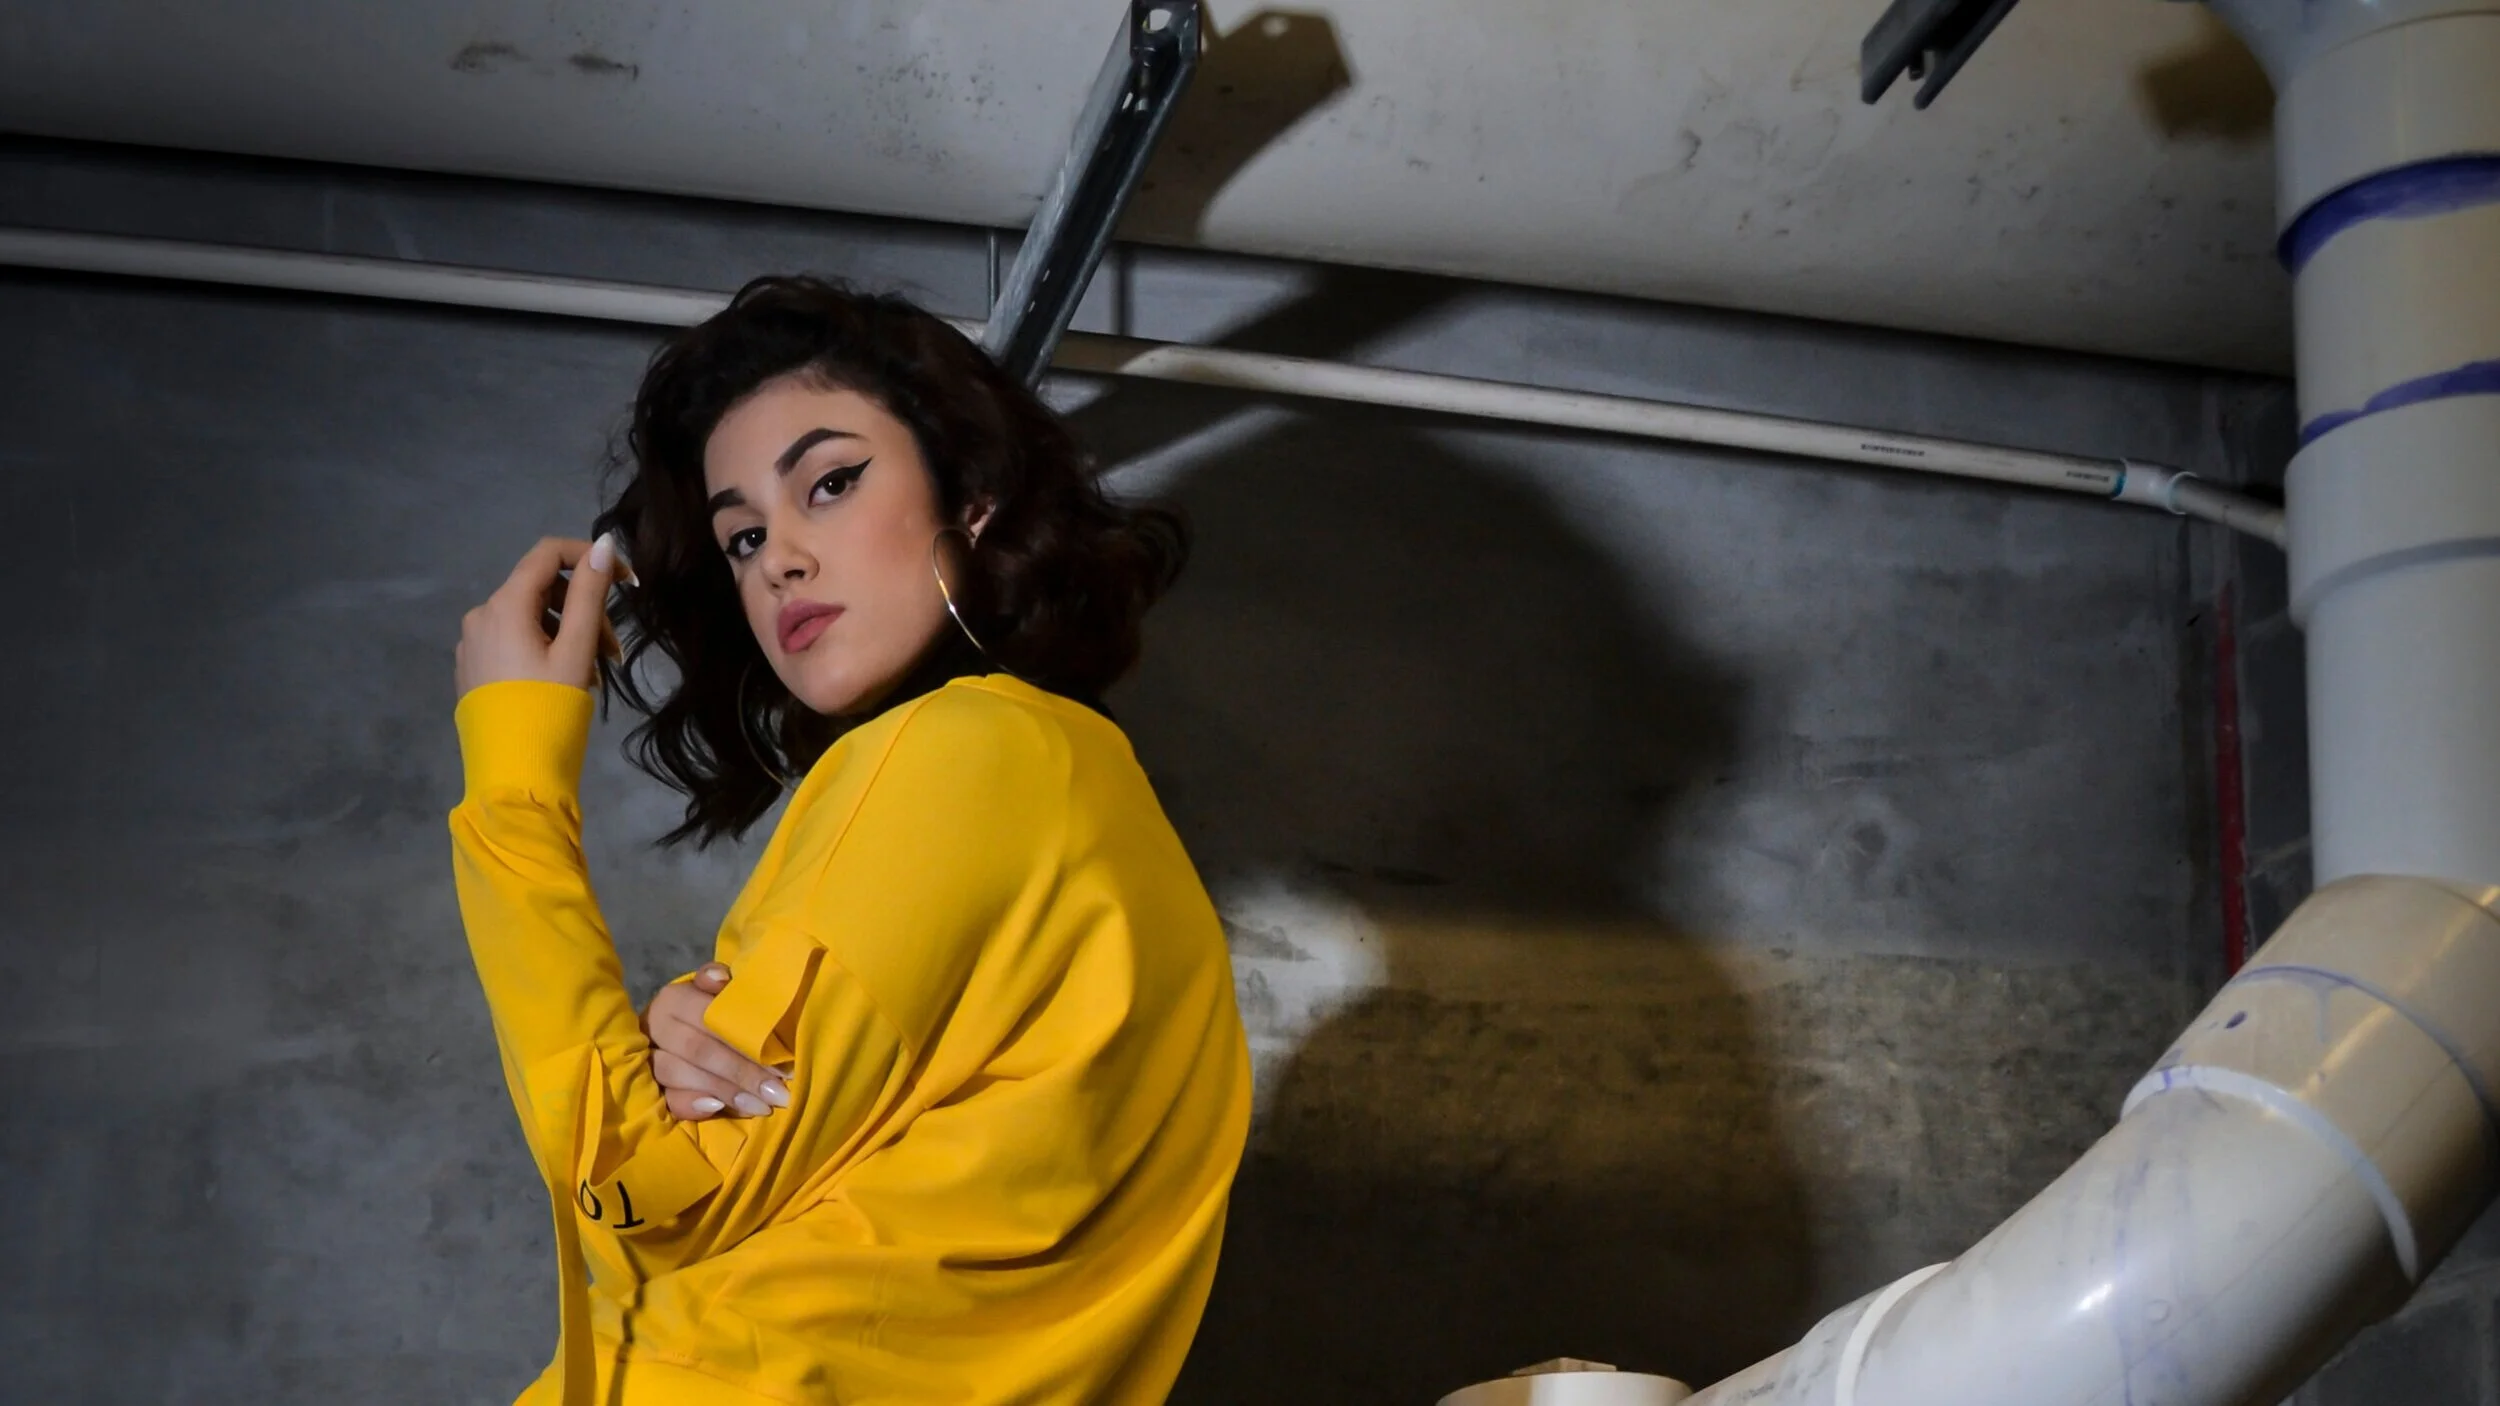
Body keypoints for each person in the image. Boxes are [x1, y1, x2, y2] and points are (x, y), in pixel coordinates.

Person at [447, 276, 1252, 1406]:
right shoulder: (1080, 800)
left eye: (830, 482)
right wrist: (664, 1064)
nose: (778, 558)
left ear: (972, 497)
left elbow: (652, 1203)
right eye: (741, 537)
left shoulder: (959, 752)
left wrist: (514, 776)